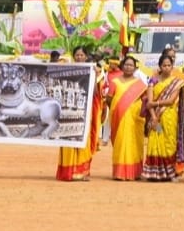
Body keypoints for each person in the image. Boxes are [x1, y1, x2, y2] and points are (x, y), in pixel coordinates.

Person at [57, 46, 102, 181]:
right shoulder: (67, 71)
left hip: (85, 112)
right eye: (77, 55)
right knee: (68, 137)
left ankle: (82, 172)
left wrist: (94, 76)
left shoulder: (93, 71)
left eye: (82, 55)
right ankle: (68, 171)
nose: (79, 57)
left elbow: (94, 93)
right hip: (68, 110)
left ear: (86, 56)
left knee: (83, 140)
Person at [143, 54, 184, 182]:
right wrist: (153, 117)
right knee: (156, 140)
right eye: (164, 65)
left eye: (169, 65)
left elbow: (170, 101)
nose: (167, 68)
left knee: (169, 143)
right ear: (160, 66)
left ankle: (169, 173)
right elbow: (149, 102)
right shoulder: (153, 80)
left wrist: (156, 104)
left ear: (172, 66)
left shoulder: (177, 82)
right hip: (156, 117)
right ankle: (154, 173)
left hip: (169, 116)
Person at [105, 56, 148, 181]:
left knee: (134, 143)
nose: (128, 67)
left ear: (135, 68)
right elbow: (109, 99)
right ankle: (120, 172)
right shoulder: (115, 82)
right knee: (121, 143)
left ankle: (135, 172)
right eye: (126, 65)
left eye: (131, 65)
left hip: (135, 120)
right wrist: (117, 109)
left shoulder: (140, 84)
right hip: (119, 118)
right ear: (122, 66)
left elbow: (145, 100)